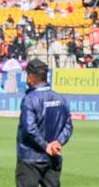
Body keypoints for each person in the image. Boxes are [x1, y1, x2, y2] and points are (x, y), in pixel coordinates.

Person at [16, 59, 72, 187]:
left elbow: (30, 128)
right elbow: (68, 125)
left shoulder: (29, 99)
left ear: (31, 77)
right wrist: (58, 142)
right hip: (53, 156)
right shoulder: (60, 98)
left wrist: (45, 146)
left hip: (30, 158)